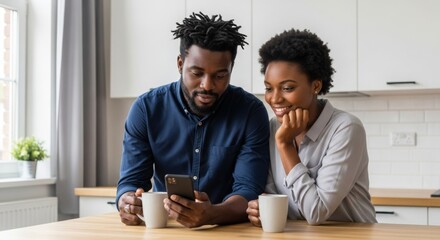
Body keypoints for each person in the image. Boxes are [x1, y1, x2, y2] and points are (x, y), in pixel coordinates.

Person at [116, 12, 270, 228]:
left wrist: (213, 214)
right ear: (180, 64)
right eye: (197, 73)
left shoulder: (250, 112)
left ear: (231, 69)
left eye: (220, 75)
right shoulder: (146, 110)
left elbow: (248, 190)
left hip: (229, 230)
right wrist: (127, 202)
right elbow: (130, 183)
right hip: (168, 229)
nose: (207, 85)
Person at [246, 29, 377, 226]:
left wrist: (285, 145)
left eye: (287, 88)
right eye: (268, 88)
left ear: (315, 86)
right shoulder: (273, 126)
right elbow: (272, 195)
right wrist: (259, 208)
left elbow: (316, 212)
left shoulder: (346, 128)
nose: (274, 99)